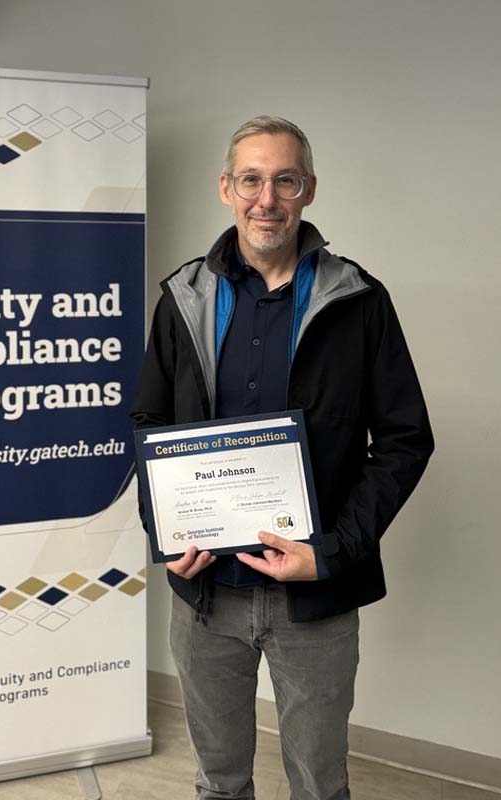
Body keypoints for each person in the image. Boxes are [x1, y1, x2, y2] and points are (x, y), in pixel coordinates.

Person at [131, 115, 434, 800]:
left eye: (285, 181)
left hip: (315, 601)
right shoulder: (183, 299)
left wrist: (331, 551)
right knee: (220, 783)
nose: (266, 199)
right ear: (226, 188)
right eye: (252, 180)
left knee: (320, 785)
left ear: (309, 190)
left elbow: (404, 440)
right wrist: (166, 530)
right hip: (206, 595)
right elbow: (149, 423)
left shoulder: (358, 301)